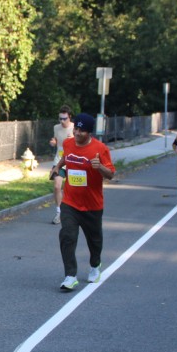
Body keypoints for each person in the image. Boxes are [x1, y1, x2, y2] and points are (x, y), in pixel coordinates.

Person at [55, 113, 115, 292]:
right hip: (70, 202)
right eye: (76, 129)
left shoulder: (100, 149)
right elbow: (66, 157)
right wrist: (57, 167)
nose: (77, 133)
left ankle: (95, 265)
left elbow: (111, 174)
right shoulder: (68, 143)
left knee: (94, 240)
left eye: (81, 131)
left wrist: (100, 167)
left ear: (89, 132)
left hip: (92, 205)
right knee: (67, 236)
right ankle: (70, 275)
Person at [48, 105, 75, 224]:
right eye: (60, 119)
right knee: (57, 186)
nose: (62, 121)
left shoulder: (75, 127)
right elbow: (55, 140)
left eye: (65, 119)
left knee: (73, 188)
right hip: (59, 159)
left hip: (73, 160)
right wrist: (53, 142)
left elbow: (83, 142)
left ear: (70, 117)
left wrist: (74, 138)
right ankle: (59, 212)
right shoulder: (56, 127)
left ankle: (74, 211)